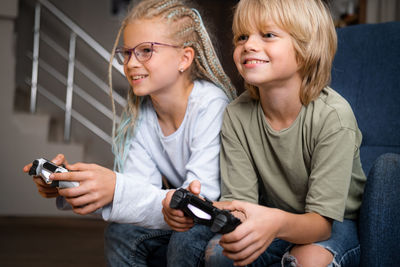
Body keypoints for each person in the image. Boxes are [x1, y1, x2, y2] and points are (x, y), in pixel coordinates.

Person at [23, 0, 236, 266]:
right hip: (182, 214)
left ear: (184, 58)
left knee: (187, 238)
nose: (131, 63)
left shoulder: (212, 104)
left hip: (217, 215)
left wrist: (115, 188)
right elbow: (140, 197)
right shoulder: (142, 114)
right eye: (127, 53)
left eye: (146, 51)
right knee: (121, 232)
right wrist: (73, 185)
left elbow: (201, 201)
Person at [203, 0, 366, 266]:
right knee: (222, 255)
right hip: (272, 216)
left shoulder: (334, 117)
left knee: (306, 260)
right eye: (242, 36)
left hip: (332, 223)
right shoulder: (236, 114)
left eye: (267, 34)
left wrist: (275, 223)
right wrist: (206, 209)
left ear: (306, 48)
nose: (249, 45)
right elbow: (240, 206)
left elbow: (321, 226)